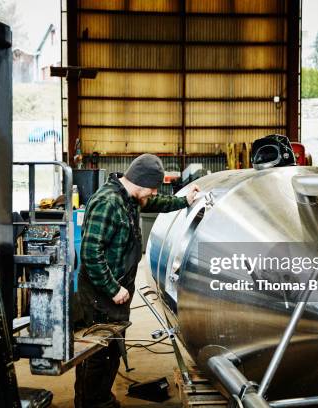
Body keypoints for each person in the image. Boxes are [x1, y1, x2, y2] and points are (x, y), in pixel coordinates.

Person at [74, 153, 200, 408]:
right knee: (99, 352)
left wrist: (183, 200)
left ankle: (100, 399)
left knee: (111, 351)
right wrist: (112, 289)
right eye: (153, 189)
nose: (153, 193)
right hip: (102, 292)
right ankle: (91, 403)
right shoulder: (107, 202)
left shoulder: (128, 197)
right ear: (142, 183)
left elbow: (156, 203)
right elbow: (89, 253)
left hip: (117, 289)